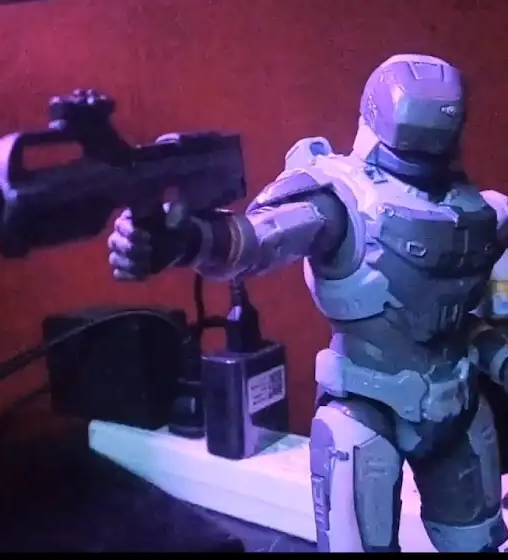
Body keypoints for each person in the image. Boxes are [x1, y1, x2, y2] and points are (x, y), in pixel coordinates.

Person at [107, 54, 508, 552]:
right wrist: (181, 240)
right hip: (367, 407)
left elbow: (472, 315)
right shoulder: (342, 200)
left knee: (478, 541)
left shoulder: (482, 211)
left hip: (458, 404)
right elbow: (253, 240)